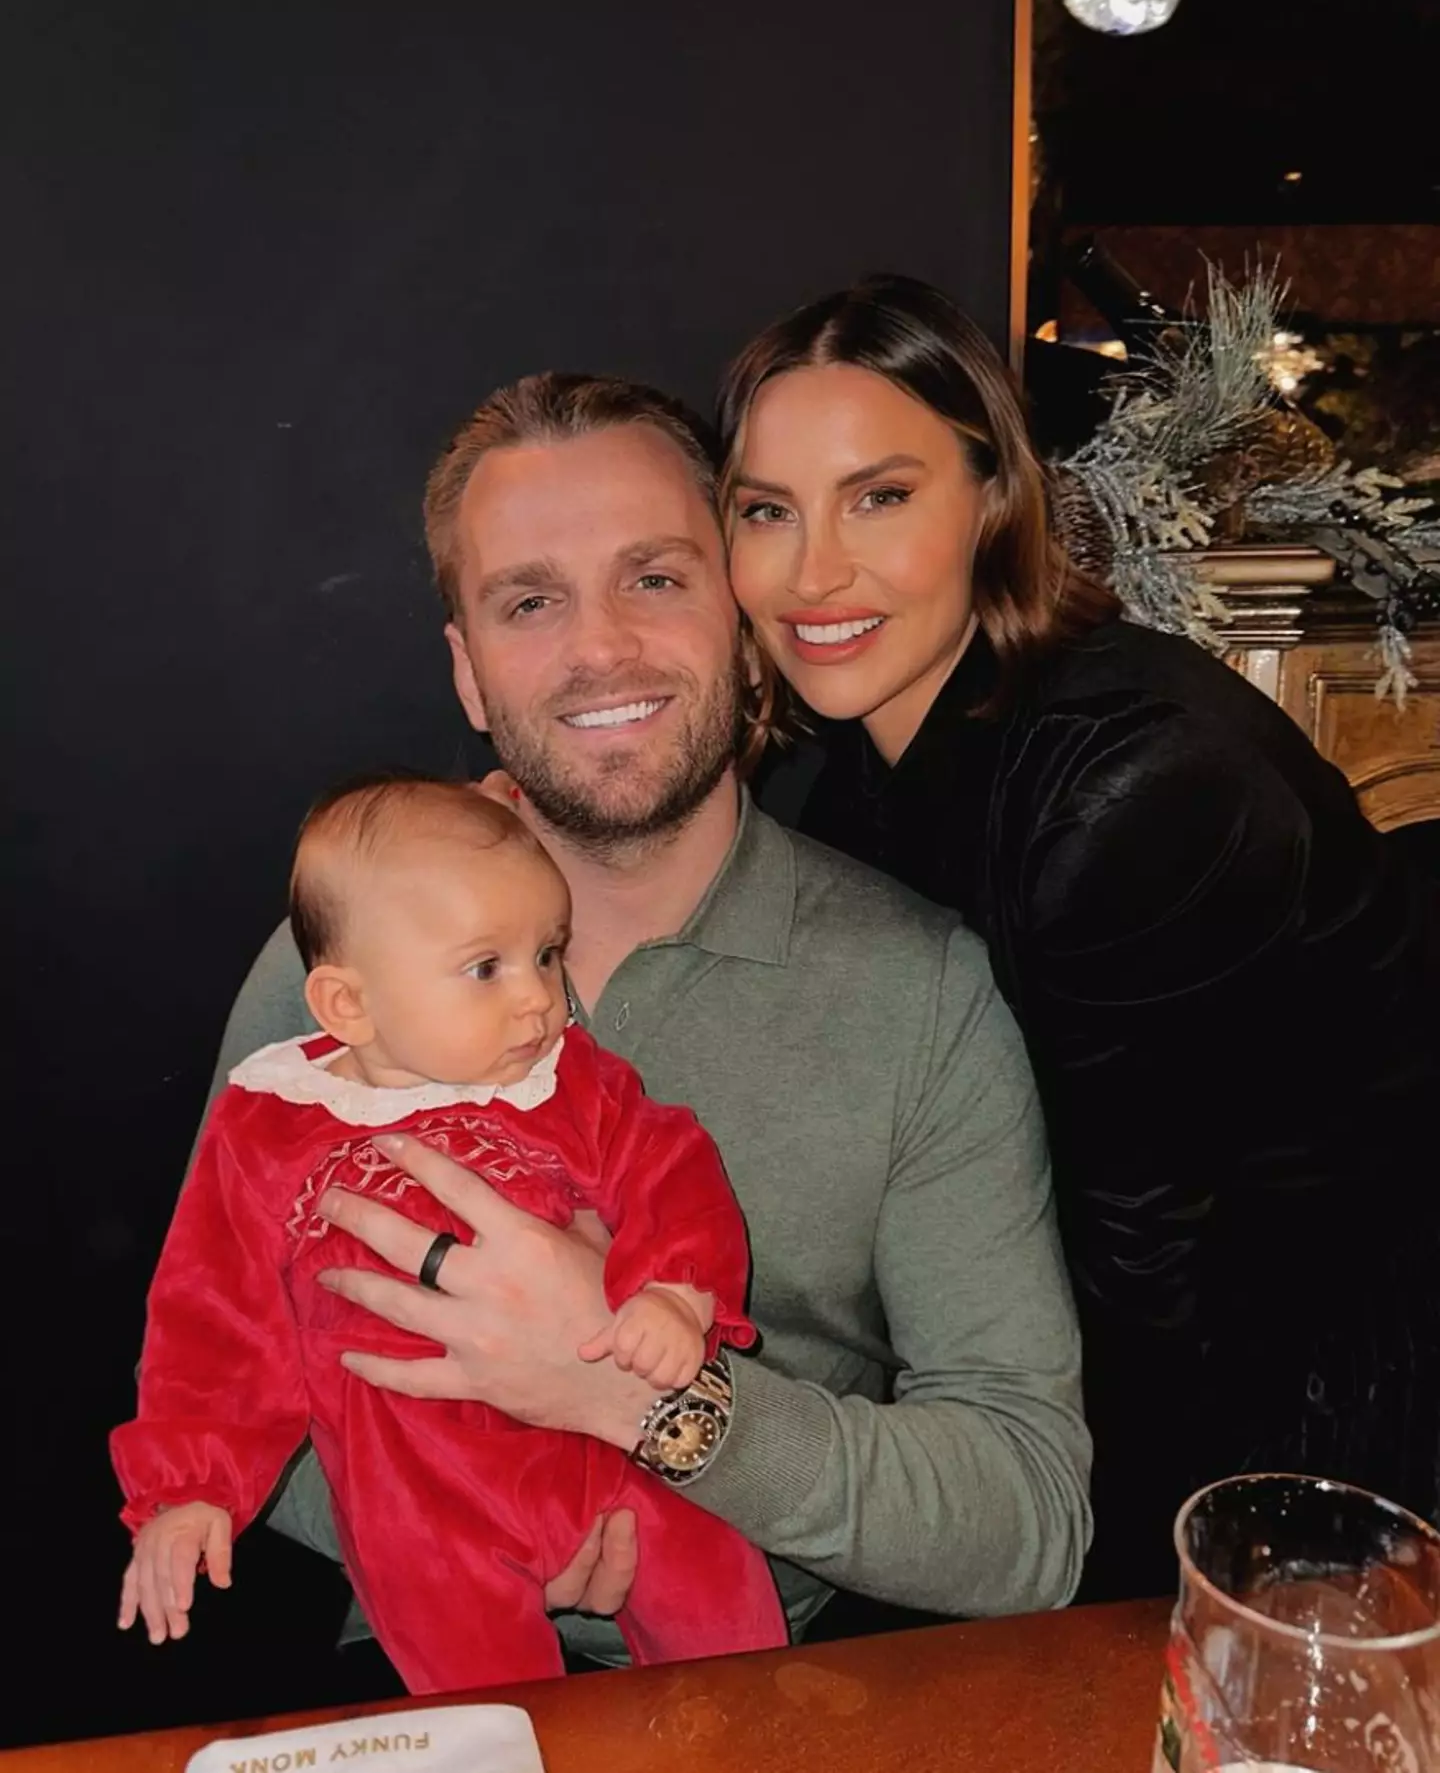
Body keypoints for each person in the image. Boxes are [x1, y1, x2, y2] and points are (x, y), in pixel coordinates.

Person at [195, 371, 1090, 1673]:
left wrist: (667, 1417)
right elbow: (222, 1386)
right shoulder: (330, 970)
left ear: (739, 614)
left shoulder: (917, 990)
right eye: (530, 601)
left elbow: (1028, 1515)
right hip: (426, 1674)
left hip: (774, 1690)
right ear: (468, 668)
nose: (600, 647)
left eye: (655, 577)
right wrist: (489, 1513)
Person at [720, 272, 1440, 1600]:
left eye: (880, 496)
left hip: (1332, 1377)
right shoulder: (866, 765)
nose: (812, 570)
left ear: (994, 502)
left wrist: (1078, 1602)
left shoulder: (1135, 784)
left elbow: (1153, 1268)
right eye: (767, 511)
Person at [114, 778, 787, 1690]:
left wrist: (674, 1287)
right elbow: (214, 1315)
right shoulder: (269, 1125)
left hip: (612, 1438)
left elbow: (669, 1165)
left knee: (725, 1617)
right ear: (347, 1005)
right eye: (487, 968)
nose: (539, 1002)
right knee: (485, 1708)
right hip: (424, 1504)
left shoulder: (563, 1080)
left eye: (547, 955)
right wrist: (192, 1487)